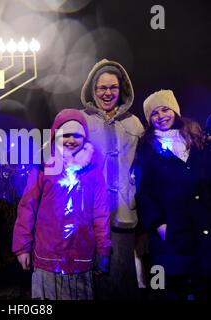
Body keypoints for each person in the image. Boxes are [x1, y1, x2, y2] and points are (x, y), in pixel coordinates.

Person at [12, 109, 111, 300]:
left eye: (77, 135)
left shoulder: (93, 170)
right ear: (56, 136)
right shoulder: (44, 166)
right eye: (66, 135)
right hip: (47, 256)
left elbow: (101, 213)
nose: (71, 140)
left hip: (81, 256)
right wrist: (22, 247)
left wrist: (103, 250)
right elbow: (27, 207)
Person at [134, 89, 211, 300]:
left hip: (201, 231)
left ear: (175, 110)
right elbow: (144, 193)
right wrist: (159, 225)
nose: (161, 117)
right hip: (171, 236)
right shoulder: (146, 148)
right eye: (154, 114)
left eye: (165, 109)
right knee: (169, 291)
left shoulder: (196, 140)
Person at [78, 59, 145, 299]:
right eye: (102, 88)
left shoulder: (134, 123)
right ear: (92, 90)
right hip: (90, 213)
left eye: (113, 87)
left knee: (123, 276)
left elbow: (144, 165)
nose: (107, 93)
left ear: (122, 89)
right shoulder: (81, 121)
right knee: (96, 277)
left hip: (125, 212)